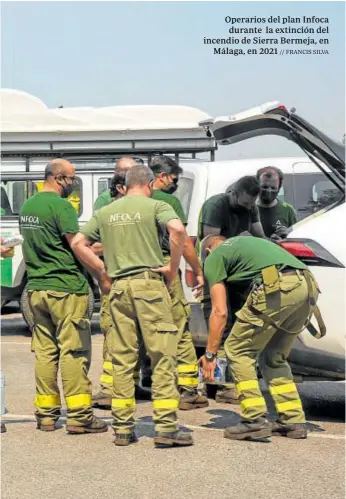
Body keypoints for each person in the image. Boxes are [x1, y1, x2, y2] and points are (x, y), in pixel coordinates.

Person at [72, 165, 193, 448]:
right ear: (149, 183)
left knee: (123, 360)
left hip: (118, 288)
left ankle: (123, 428)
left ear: (125, 185)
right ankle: (165, 427)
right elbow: (177, 230)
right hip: (149, 284)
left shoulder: (106, 211)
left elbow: (79, 243)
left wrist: (103, 269)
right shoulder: (157, 205)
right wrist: (172, 268)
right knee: (162, 356)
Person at [199, 234, 326, 441]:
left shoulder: (215, 257)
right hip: (307, 286)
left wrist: (211, 355)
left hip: (279, 286)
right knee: (273, 356)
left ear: (207, 251)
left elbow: (219, 312)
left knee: (237, 350)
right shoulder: (244, 246)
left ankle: (254, 420)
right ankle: (292, 420)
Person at [19, 159, 107, 434]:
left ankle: (46, 415)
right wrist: (102, 271)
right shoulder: (61, 207)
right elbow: (76, 246)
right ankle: (80, 416)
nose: (72, 184)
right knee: (74, 352)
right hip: (66, 288)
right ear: (58, 178)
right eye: (71, 179)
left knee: (45, 353)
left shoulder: (27, 206)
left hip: (36, 289)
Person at [197, 176, 265, 404]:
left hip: (237, 275)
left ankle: (221, 382)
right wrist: (239, 240)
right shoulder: (217, 205)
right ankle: (219, 384)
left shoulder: (250, 207)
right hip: (217, 267)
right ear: (234, 192)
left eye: (250, 205)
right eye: (244, 203)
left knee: (237, 325)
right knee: (219, 324)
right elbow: (211, 241)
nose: (247, 208)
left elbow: (259, 235)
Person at [91, 158, 151, 408]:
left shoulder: (145, 205)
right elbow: (90, 245)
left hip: (139, 280)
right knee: (115, 335)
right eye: (125, 173)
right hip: (116, 280)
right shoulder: (106, 205)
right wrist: (103, 275)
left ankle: (132, 384)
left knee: (136, 336)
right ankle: (108, 388)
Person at [150, 155, 208, 410]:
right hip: (165, 268)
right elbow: (182, 240)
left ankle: (144, 380)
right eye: (173, 179)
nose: (174, 184)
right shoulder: (168, 201)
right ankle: (187, 390)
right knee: (180, 327)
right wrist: (197, 269)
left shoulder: (123, 201)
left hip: (134, 271)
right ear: (160, 176)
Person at [256, 167, 297, 239]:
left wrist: (287, 233)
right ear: (257, 185)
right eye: (264, 187)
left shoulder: (288, 210)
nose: (269, 191)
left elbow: (296, 239)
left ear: (279, 188)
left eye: (273, 188)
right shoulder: (248, 209)